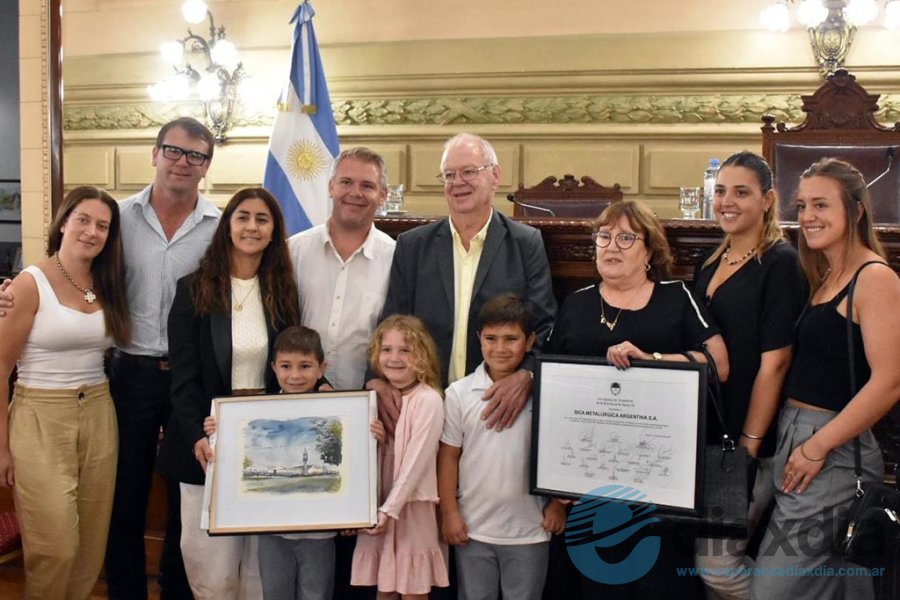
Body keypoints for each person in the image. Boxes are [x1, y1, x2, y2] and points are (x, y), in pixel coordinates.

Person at [545, 199, 729, 599]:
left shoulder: (676, 297)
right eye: (604, 236)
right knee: (596, 582)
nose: (612, 246)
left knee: (657, 582)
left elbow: (718, 363)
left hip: (661, 479)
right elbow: (553, 389)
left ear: (649, 251)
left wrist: (654, 361)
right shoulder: (575, 304)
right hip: (589, 478)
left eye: (627, 238)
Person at [750, 159, 900, 600]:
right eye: (801, 205)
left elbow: (890, 381)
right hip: (796, 435)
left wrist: (817, 446)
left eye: (821, 204)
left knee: (772, 591)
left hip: (831, 448)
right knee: (835, 585)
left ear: (855, 211)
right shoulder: (825, 276)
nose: (807, 216)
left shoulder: (874, 278)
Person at [156, 187, 300, 599]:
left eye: (262, 219)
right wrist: (199, 437)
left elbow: (289, 370)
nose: (251, 226)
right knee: (212, 571)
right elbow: (182, 380)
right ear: (227, 226)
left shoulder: (283, 291)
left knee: (259, 570)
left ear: (273, 232)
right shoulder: (193, 290)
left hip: (265, 444)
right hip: (206, 443)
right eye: (242, 217)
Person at [370, 133, 556, 435]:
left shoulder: (525, 243)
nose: (458, 182)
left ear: (495, 175)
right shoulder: (413, 246)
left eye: (469, 171)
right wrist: (375, 378)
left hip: (495, 405)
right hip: (421, 402)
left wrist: (528, 375)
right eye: (449, 175)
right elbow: (391, 321)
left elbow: (545, 323)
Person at [0, 186, 131, 599]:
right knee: (55, 546)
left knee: (91, 544)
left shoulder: (107, 281)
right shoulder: (27, 283)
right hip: (40, 416)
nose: (92, 232)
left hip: (97, 411)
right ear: (63, 223)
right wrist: (2, 447)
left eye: (102, 226)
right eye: (83, 220)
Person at [108, 116, 219, 599]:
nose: (182, 162)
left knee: (186, 499)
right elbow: (70, 269)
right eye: (173, 151)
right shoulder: (114, 217)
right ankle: (126, 592)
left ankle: (178, 592)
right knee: (124, 496)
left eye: (195, 155)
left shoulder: (219, 227)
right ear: (155, 154)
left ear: (206, 166)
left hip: (190, 382)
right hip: (127, 374)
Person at [692, 151, 807, 600]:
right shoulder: (707, 260)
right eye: (720, 191)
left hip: (748, 441)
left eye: (741, 192)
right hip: (707, 433)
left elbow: (775, 363)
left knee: (717, 565)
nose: (727, 202)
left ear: (767, 200)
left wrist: (749, 447)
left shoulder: (780, 263)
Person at [288, 147, 395, 600]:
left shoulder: (397, 255)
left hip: (367, 415)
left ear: (383, 195)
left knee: (356, 532)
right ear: (330, 186)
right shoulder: (294, 249)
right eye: (347, 182)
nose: (356, 193)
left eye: (367, 185)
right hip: (298, 410)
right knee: (306, 530)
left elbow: (397, 328)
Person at [438, 293, 566, 600]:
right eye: (491, 338)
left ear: (530, 340)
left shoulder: (549, 391)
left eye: (511, 339)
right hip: (473, 529)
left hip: (530, 530)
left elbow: (565, 451)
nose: (499, 348)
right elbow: (448, 457)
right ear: (479, 338)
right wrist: (449, 513)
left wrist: (558, 504)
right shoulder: (459, 393)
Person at [352, 315, 450, 599]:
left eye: (405, 350)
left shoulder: (428, 399)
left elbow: (415, 463)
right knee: (384, 590)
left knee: (412, 589)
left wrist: (389, 510)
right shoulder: (376, 399)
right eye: (387, 349)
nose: (394, 357)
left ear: (423, 356)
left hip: (411, 509)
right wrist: (377, 441)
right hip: (381, 503)